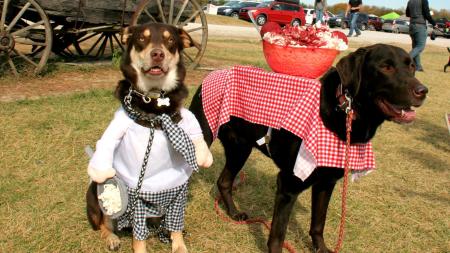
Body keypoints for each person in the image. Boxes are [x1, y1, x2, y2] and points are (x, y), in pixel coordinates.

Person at [406, 0, 437, 72]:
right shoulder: (424, 1)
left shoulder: (410, 1)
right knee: (420, 47)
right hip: (420, 26)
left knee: (415, 47)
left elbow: (407, 14)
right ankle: (404, 61)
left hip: (412, 26)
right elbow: (427, 14)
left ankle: (418, 67)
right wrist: (434, 23)